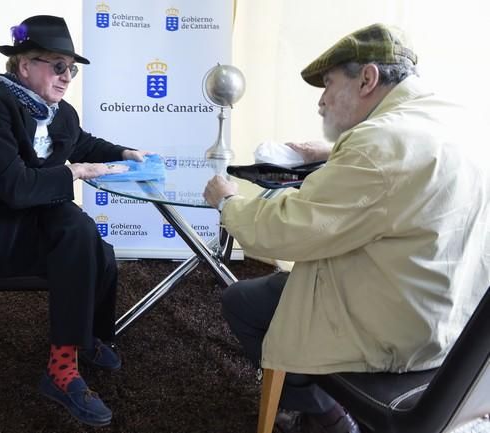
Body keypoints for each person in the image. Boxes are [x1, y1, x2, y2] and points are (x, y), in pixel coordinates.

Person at [204, 23, 490, 433]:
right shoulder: (462, 121)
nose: (321, 101)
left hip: (394, 331)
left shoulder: (380, 143)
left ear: (368, 79)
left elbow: (283, 230)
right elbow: (399, 183)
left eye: (328, 84)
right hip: (458, 323)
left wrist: (227, 201)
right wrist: (335, 152)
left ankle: (326, 416)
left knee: (240, 302)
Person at [0, 15, 150, 427]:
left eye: (71, 69)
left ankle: (87, 338)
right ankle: (60, 370)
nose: (67, 77)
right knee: (76, 232)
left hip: (27, 220)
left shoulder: (56, 110)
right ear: (24, 65)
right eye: (58, 66)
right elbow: (15, 189)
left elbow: (81, 142)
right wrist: (75, 173)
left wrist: (124, 153)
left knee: (94, 243)